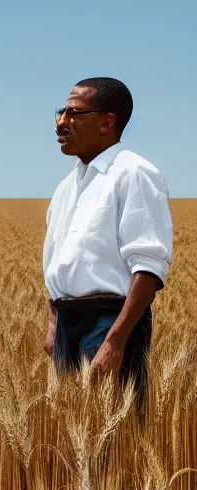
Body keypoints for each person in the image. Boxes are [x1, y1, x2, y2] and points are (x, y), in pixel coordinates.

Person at [42, 77, 173, 414]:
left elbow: (148, 265)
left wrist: (116, 339)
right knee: (69, 432)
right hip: (66, 323)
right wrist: (54, 322)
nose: (61, 122)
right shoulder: (65, 188)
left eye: (74, 113)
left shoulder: (134, 173)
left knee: (116, 437)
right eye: (61, 112)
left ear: (107, 121)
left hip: (111, 320)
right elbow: (59, 261)